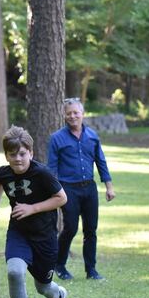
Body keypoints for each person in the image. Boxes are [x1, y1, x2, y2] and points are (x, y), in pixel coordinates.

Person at [0, 126, 68, 298]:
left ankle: (57, 296)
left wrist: (32, 208)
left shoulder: (42, 173)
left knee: (43, 287)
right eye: (12, 154)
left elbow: (61, 198)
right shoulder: (3, 171)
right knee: (14, 271)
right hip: (19, 232)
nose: (18, 159)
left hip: (44, 236)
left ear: (30, 152)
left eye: (22, 154)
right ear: (6, 155)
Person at [47, 98, 116, 281]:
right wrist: (55, 191)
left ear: (82, 114)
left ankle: (91, 270)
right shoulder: (56, 138)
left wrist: (109, 186)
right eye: (69, 113)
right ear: (64, 115)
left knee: (91, 230)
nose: (72, 116)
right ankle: (59, 265)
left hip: (89, 188)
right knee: (70, 227)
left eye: (76, 112)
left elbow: (101, 162)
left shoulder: (92, 136)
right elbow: (52, 168)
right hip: (68, 189)